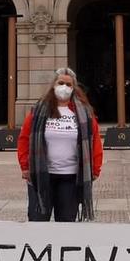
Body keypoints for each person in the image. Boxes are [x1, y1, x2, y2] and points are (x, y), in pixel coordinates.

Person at [17, 66, 104, 222]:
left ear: (74, 88)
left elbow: (94, 141)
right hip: (42, 175)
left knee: (66, 223)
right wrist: (24, 166)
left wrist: (95, 168)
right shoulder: (38, 111)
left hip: (70, 178)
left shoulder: (84, 113)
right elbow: (24, 138)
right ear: (53, 85)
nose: (64, 87)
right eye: (61, 82)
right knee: (38, 220)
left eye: (69, 84)